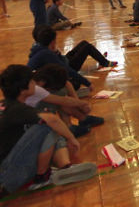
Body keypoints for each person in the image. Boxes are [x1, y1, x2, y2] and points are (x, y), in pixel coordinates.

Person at [0, 65, 97, 195]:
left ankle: (63, 167)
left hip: (10, 166)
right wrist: (71, 138)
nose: (34, 83)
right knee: (47, 125)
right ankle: (42, 176)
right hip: (8, 176)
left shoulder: (6, 104)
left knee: (47, 124)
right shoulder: (17, 109)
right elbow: (53, 120)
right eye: (31, 81)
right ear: (23, 89)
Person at [29, 26, 116, 90]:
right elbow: (65, 68)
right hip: (67, 65)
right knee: (87, 47)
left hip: (64, 60)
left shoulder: (38, 46)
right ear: (52, 41)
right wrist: (87, 83)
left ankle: (103, 61)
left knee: (84, 43)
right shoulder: (46, 53)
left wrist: (56, 52)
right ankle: (104, 62)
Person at [29, 64, 103, 138]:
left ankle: (76, 123)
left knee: (61, 94)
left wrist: (78, 102)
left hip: (37, 113)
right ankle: (75, 124)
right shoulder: (35, 89)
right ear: (43, 82)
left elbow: (66, 83)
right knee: (60, 98)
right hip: (33, 122)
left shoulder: (38, 78)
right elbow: (63, 100)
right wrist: (83, 104)